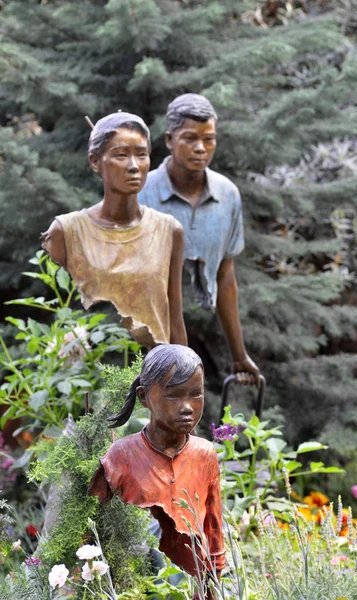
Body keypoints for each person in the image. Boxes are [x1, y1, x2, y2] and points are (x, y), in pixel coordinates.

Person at [138, 94, 260, 384]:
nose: (201, 148)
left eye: (209, 139)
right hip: (150, 342)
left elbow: (225, 277)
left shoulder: (227, 195)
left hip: (209, 341)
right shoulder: (141, 194)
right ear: (169, 139)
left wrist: (239, 354)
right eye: (190, 138)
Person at [41, 112, 187, 348]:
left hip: (153, 377)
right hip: (87, 375)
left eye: (141, 155)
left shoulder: (168, 231)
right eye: (120, 155)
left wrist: (188, 378)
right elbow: (52, 314)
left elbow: (175, 320)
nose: (133, 166)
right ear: (95, 161)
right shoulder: (65, 233)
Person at [88, 344, 225, 593]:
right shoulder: (121, 456)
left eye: (196, 394)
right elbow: (92, 529)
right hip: (136, 587)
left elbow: (213, 529)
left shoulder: (205, 455)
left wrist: (213, 584)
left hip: (191, 588)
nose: (187, 406)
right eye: (174, 395)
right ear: (143, 397)